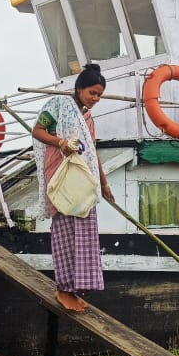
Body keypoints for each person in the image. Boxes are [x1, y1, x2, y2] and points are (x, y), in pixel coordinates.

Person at [32, 63, 113, 312]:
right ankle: (62, 288)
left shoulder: (87, 116)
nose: (96, 98)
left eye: (99, 94)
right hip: (60, 176)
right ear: (79, 88)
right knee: (65, 231)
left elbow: (92, 151)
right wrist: (61, 142)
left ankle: (75, 289)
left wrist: (104, 183)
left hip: (82, 179)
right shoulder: (57, 105)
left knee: (85, 231)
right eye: (92, 93)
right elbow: (37, 131)